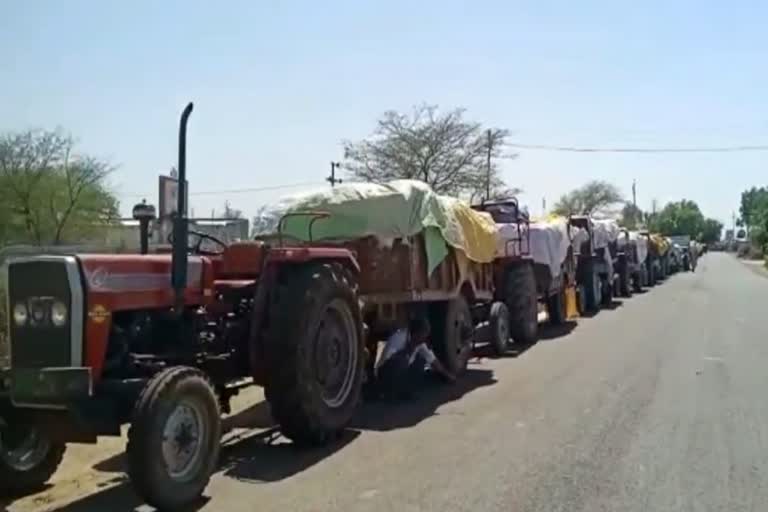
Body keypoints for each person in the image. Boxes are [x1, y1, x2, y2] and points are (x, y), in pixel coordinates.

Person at [374, 317, 456, 400]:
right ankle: (390, 392)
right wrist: (409, 348)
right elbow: (389, 362)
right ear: (416, 333)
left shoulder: (419, 342)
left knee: (421, 360)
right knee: (401, 361)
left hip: (400, 373)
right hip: (385, 374)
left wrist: (447, 375)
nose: (425, 338)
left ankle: (406, 391)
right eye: (424, 334)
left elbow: (433, 361)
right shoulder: (398, 338)